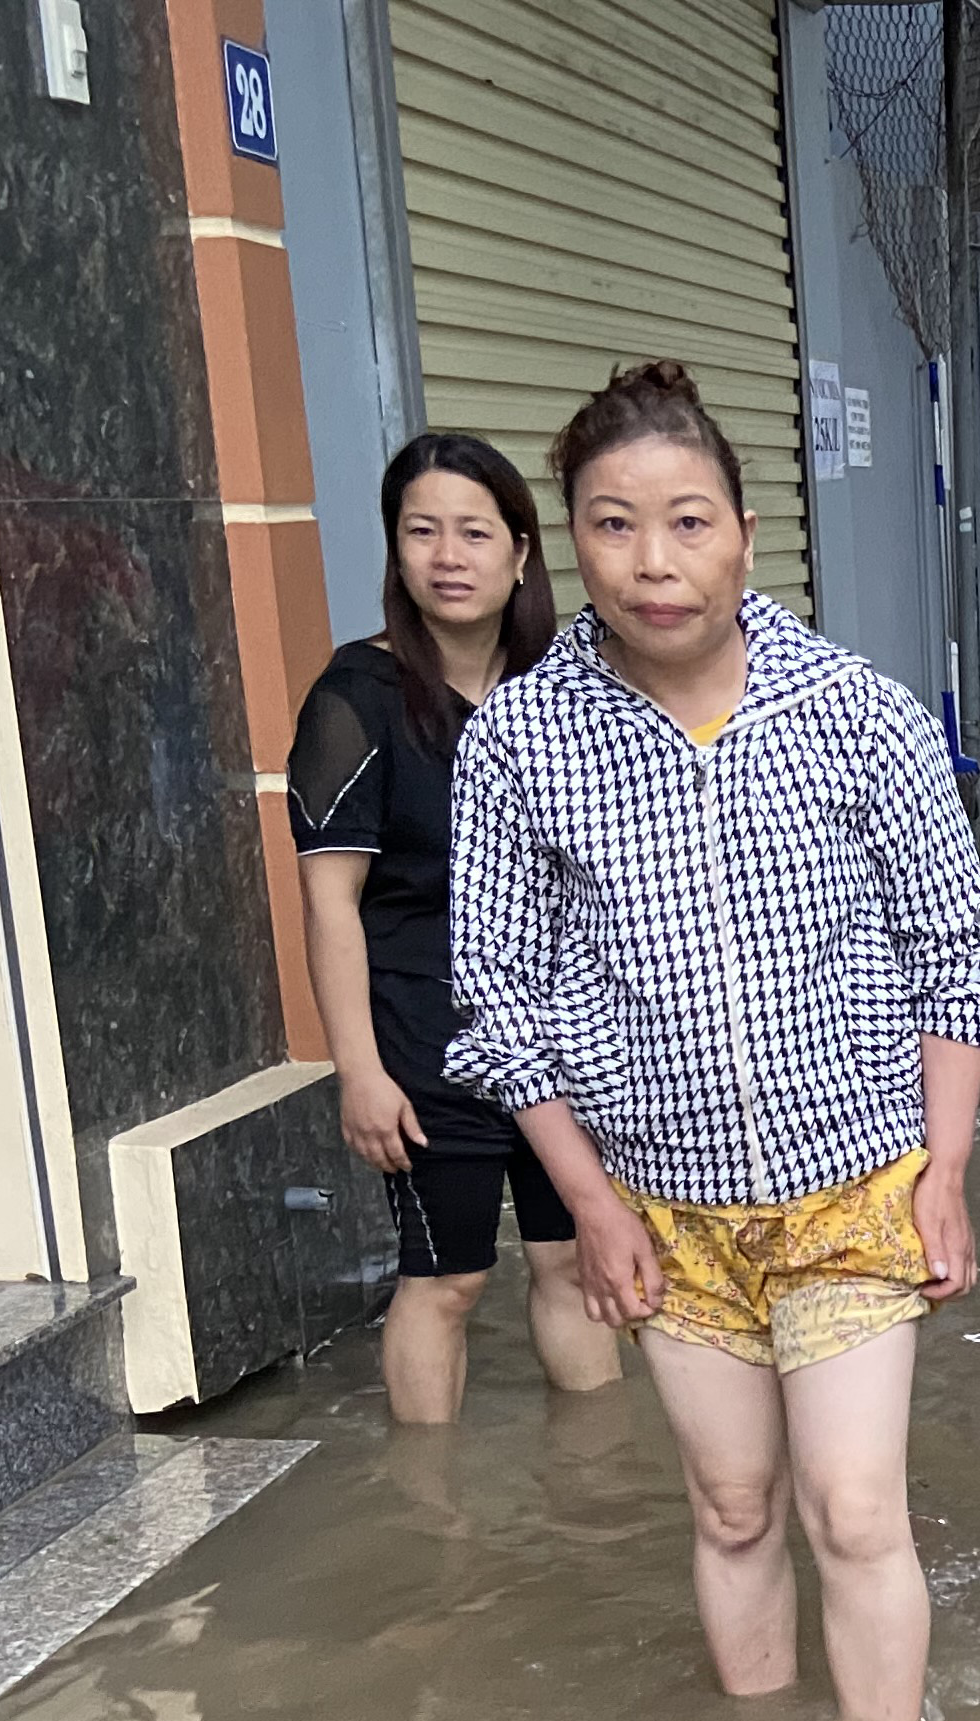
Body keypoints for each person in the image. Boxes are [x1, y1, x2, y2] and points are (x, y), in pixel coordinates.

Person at [445, 361, 980, 1721]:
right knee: (733, 1505)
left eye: (689, 522)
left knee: (857, 1507)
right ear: (566, 541)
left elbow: (954, 952)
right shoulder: (521, 740)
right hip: (662, 1210)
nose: (654, 562)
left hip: (853, 1185)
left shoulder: (859, 714)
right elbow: (497, 994)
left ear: (747, 530)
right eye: (615, 525)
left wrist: (947, 1171)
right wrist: (589, 1201)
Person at [288, 433, 619, 1422]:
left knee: (575, 1259)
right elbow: (328, 902)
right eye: (421, 531)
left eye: (474, 532)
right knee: (449, 1279)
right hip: (427, 1036)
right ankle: (439, 1530)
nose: (447, 555)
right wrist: (360, 1072)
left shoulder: (570, 691)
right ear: (395, 551)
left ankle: (601, 1497)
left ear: (521, 553)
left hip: (566, 1030)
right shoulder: (356, 699)